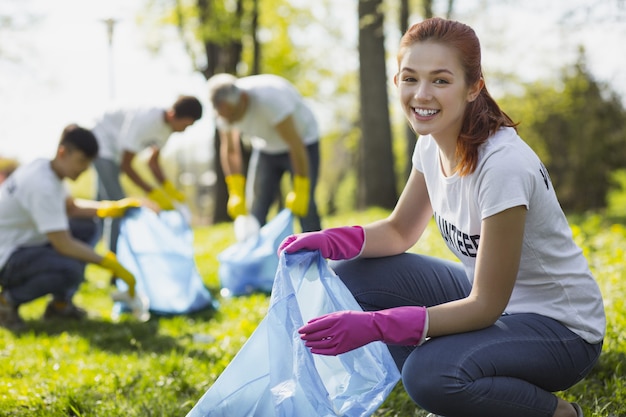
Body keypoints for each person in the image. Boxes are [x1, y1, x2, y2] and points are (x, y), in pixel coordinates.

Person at [279, 17, 604, 417]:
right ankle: (460, 386)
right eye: (410, 78)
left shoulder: (503, 166)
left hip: (560, 331)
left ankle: (556, 412)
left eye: (440, 80)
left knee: (429, 376)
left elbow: (485, 305)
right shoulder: (430, 146)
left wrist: (379, 325)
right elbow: (399, 231)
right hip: (487, 303)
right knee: (356, 274)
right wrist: (330, 240)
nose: (421, 94)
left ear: (473, 88)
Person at [0, 124, 139, 331]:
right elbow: (63, 244)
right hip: (7, 258)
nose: (84, 169)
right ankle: (6, 303)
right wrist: (110, 264)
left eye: (89, 163)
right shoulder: (41, 185)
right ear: (63, 152)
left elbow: (70, 208)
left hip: (24, 246)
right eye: (82, 161)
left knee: (86, 228)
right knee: (70, 269)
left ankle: (60, 305)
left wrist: (108, 208)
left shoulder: (47, 169)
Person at [206, 73, 322, 232]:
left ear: (244, 99)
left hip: (303, 143)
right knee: (257, 206)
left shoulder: (270, 99)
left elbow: (294, 143)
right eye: (226, 119)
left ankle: (315, 250)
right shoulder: (225, 111)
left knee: (305, 205)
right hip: (265, 147)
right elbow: (231, 150)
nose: (230, 122)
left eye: (233, 116)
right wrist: (235, 191)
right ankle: (259, 252)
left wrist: (301, 187)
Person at [91, 95, 203, 253]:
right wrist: (152, 192)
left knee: (101, 205)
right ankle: (114, 262)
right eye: (184, 125)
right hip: (102, 145)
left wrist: (168, 189)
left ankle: (88, 250)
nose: (183, 131)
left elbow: (152, 162)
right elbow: (127, 165)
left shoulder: (168, 129)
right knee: (118, 205)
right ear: (172, 115)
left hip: (116, 154)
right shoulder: (147, 120)